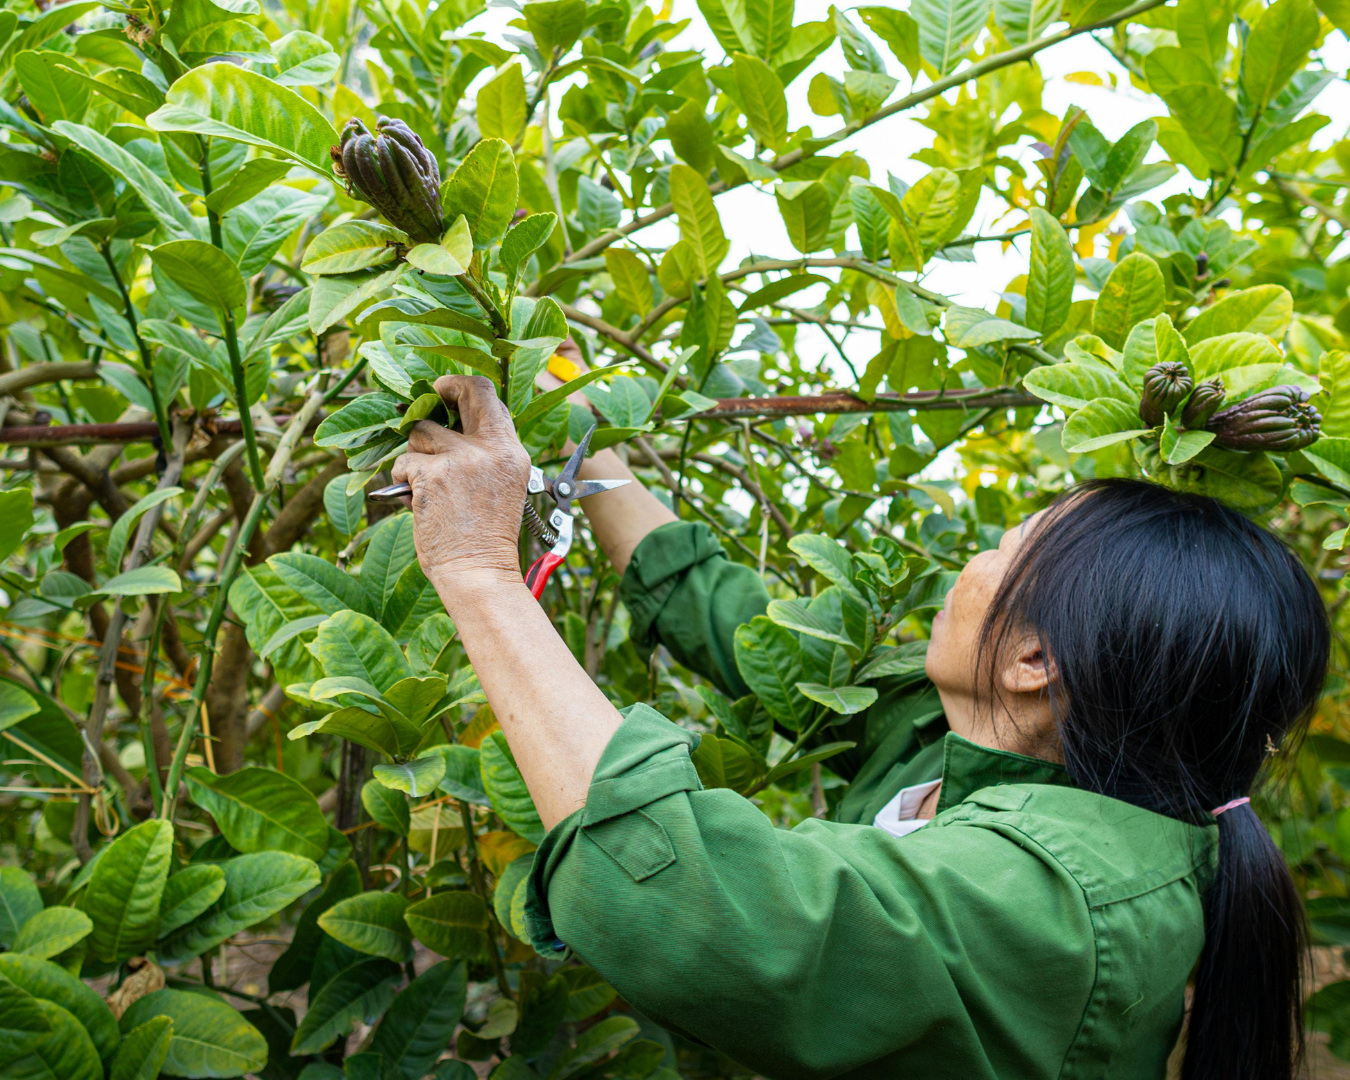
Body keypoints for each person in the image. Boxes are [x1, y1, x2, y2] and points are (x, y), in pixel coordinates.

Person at [391, 374, 1329, 1080]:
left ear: (1033, 663)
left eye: (1002, 550)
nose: (972, 562)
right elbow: (730, 620)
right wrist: (588, 443)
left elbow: (696, 903)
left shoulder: (1051, 902)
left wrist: (476, 567)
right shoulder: (970, 741)